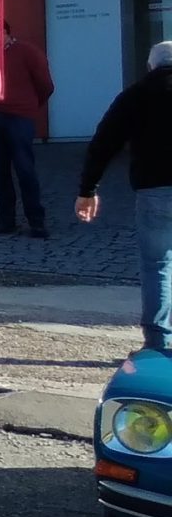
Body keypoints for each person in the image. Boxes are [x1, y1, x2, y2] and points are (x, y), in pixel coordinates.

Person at [78, 41, 172, 348]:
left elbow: (104, 142)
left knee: (157, 266)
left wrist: (88, 189)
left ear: (150, 67)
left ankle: (159, 343)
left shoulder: (136, 95)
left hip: (153, 188)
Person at [0, 23, 56, 238]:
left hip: (19, 117)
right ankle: (5, 219)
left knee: (25, 169)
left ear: (6, 33)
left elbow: (45, 85)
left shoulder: (27, 52)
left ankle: (36, 220)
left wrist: (29, 106)